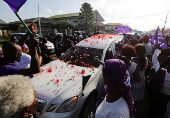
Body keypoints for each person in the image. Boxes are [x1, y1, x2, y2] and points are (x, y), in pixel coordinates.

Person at [148, 43, 170, 118]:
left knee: (157, 110)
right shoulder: (161, 72)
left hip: (160, 96)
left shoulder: (161, 72)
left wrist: (157, 49)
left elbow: (154, 61)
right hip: (167, 98)